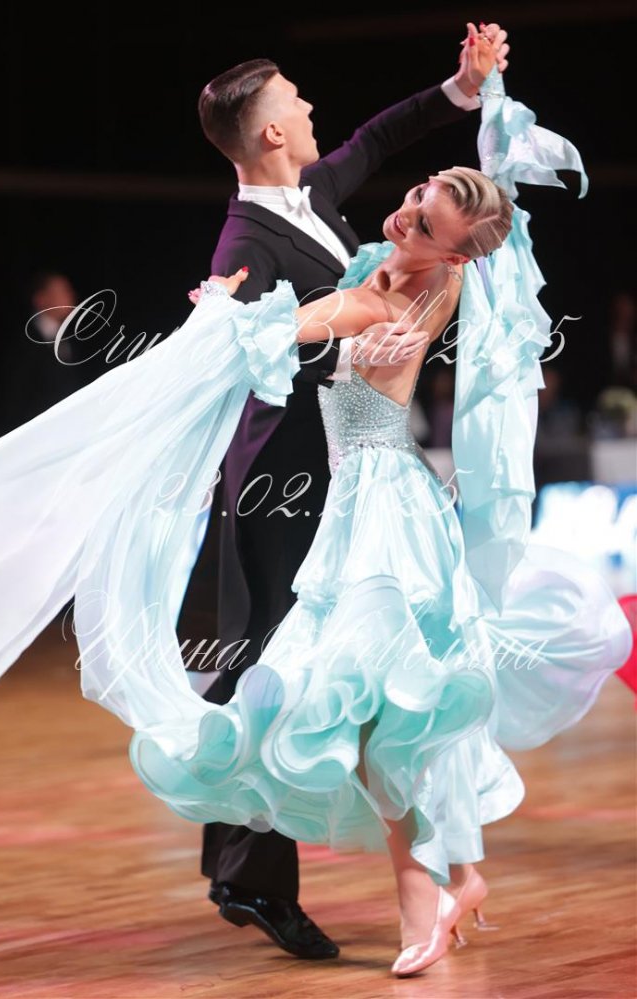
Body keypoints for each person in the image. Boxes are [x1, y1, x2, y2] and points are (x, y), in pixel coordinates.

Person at [0, 74, 631, 978]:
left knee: (364, 700)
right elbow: (338, 270)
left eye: (421, 216)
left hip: (372, 506)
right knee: (343, 687)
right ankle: (380, 876)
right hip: (310, 488)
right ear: (272, 132)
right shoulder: (305, 245)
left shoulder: (383, 274)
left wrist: (229, 317)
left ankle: (404, 895)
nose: (400, 211)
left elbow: (314, 295)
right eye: (414, 199)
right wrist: (232, 313)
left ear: (449, 249)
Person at [193, 21, 509, 956]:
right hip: (281, 477)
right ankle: (255, 877)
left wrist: (460, 90)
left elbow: (379, 136)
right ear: (270, 132)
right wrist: (221, 316)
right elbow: (254, 330)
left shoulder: (324, 197)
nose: (310, 106)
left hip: (358, 480)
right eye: (294, 100)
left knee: (359, 677)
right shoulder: (245, 238)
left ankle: (430, 877)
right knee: (274, 668)